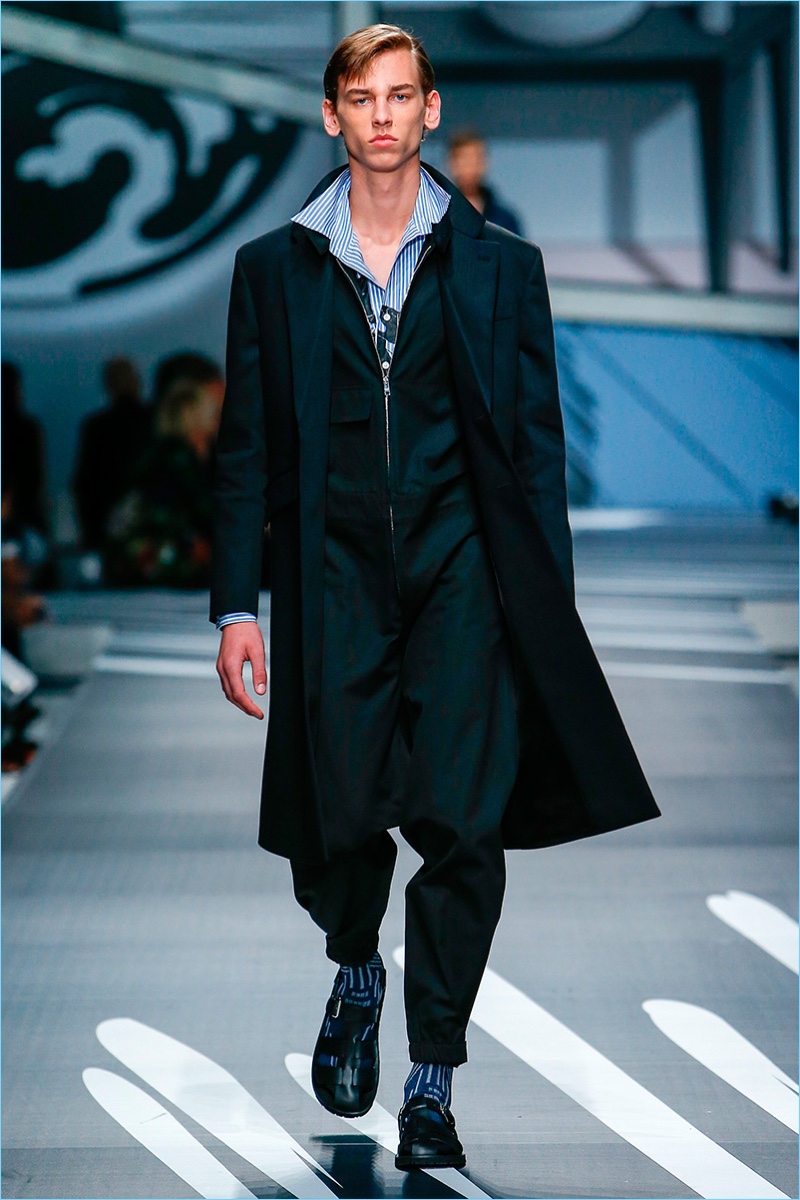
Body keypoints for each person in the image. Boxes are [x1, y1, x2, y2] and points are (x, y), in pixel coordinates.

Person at [211, 23, 659, 1172]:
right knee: (333, 816)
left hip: (463, 571)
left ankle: (430, 1079)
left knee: (463, 824)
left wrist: (542, 613)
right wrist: (236, 608)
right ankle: (355, 963)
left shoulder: (502, 267)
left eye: (400, 95)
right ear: (332, 115)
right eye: (360, 97)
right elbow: (247, 446)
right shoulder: (272, 269)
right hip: (333, 574)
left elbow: (536, 449)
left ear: (429, 108)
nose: (381, 115)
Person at [72, 356, 152, 551]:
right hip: (150, 522)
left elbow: (85, 483)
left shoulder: (96, 426)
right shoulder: (154, 420)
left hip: (107, 526)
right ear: (137, 381)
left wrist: (91, 532)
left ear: (109, 386)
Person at [446, 128, 523, 235]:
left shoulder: (505, 221)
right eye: (464, 161)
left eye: (475, 160)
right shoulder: (439, 218)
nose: (470, 168)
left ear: (485, 163)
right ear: (451, 164)